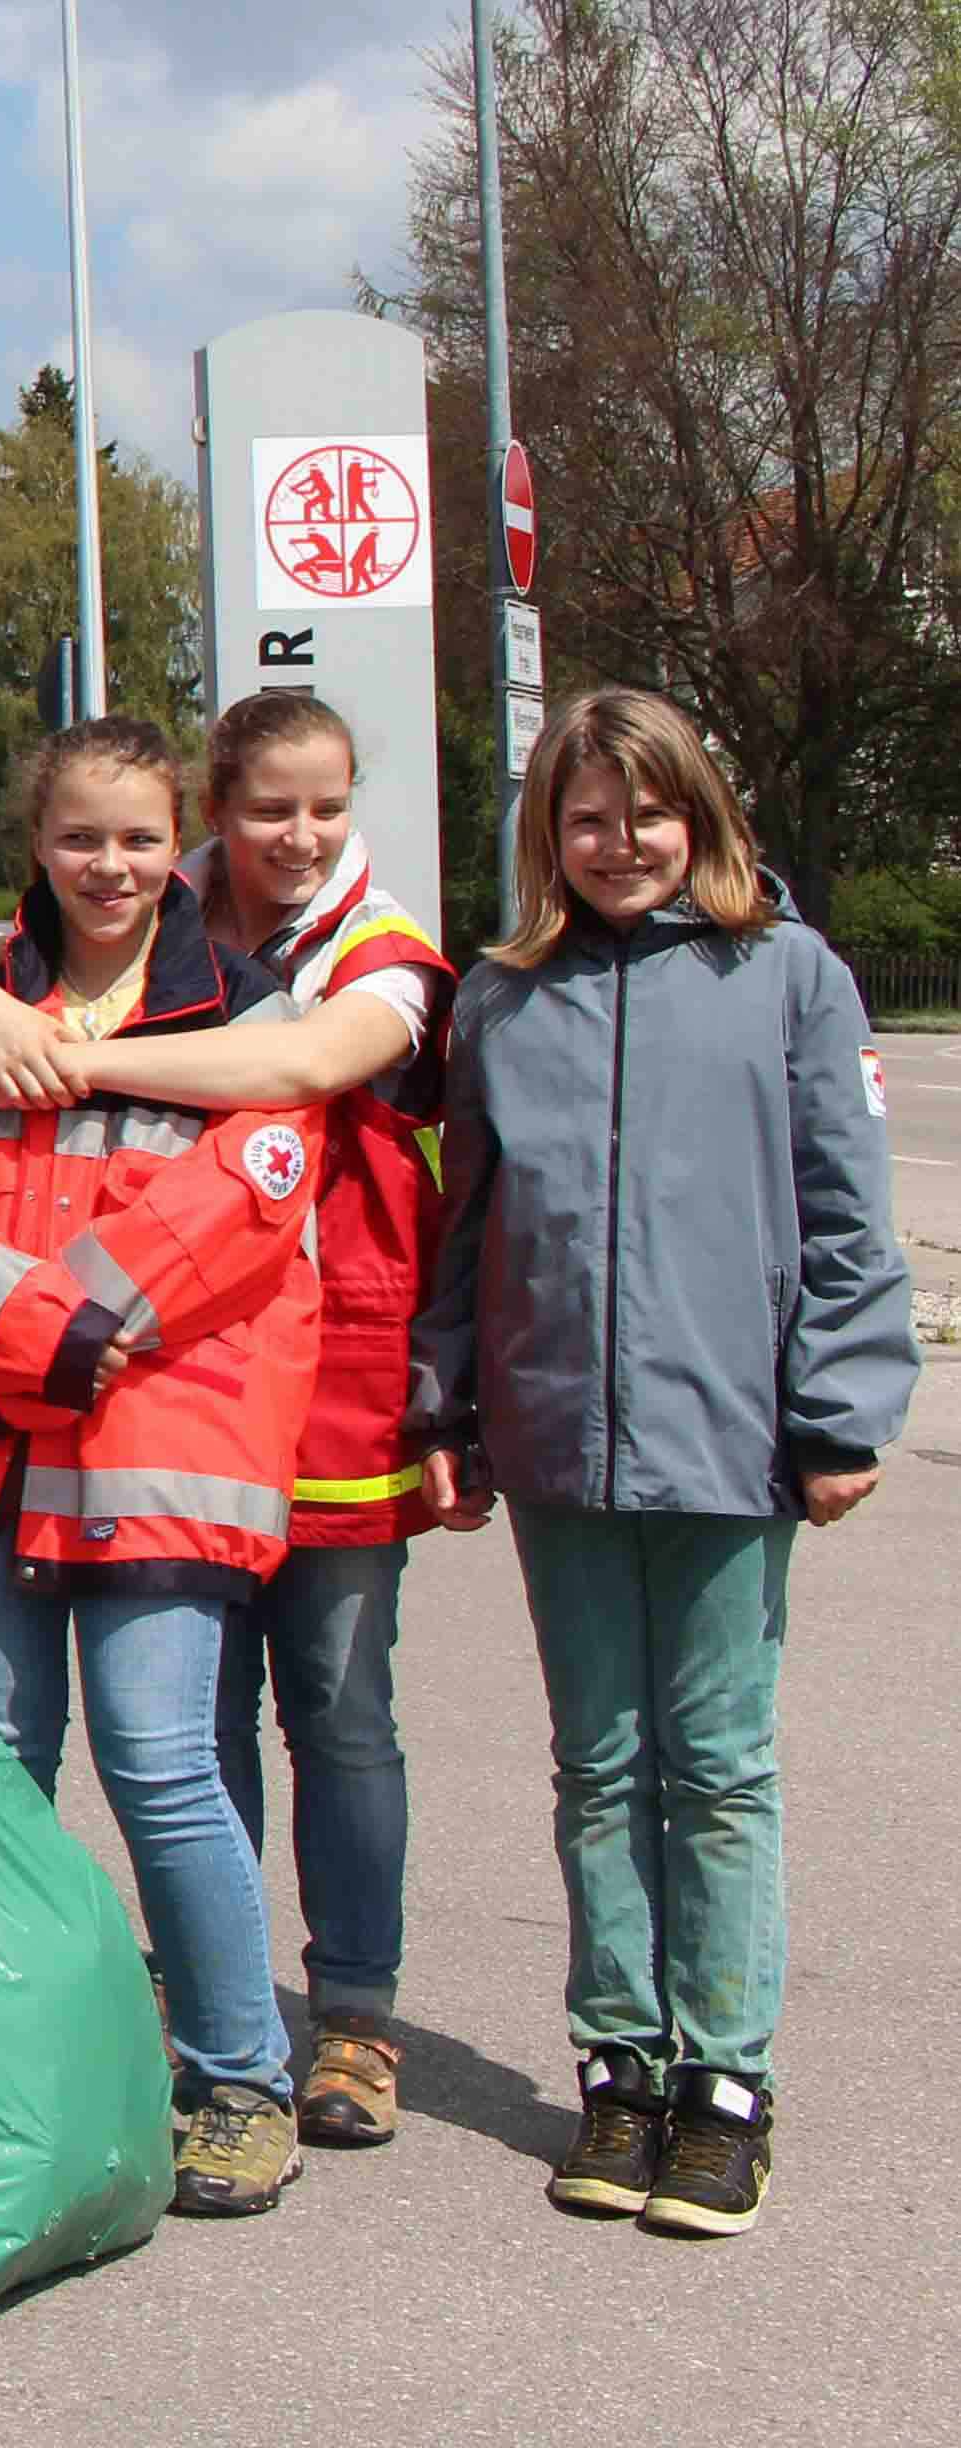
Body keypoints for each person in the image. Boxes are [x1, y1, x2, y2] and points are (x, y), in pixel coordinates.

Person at [411, 686, 913, 2242]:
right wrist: (446, 1407)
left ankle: (722, 2084)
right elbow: (468, 1225)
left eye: (643, 811)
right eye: (583, 815)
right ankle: (617, 2064)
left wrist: (836, 1409)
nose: (616, 841)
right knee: (596, 1770)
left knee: (716, 1774)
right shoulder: (504, 1000)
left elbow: (844, 1213)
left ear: (694, 817)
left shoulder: (784, 977)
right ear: (544, 835)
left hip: (730, 1442)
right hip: (558, 1439)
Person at [0, 717, 331, 2219]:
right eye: (79, 838)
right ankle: (9, 2059)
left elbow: (247, 1199)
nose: (109, 866)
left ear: (175, 836)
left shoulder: (241, 1006)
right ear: (35, 846)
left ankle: (238, 2074)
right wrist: (31, 1333)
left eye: (136, 837)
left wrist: (60, 1331)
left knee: (159, 1769)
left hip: (157, 1453)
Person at [32, 689, 454, 2150]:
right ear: (216, 802)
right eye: (268, 806)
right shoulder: (166, 906)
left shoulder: (384, 949)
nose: (296, 834)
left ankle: (350, 2013)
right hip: (186, 1385)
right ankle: (220, 2004)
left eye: (324, 807)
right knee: (190, 1731)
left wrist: (76, 1061)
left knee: (335, 1713)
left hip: (340, 1385)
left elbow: (290, 1069)